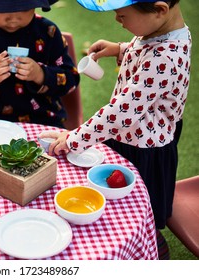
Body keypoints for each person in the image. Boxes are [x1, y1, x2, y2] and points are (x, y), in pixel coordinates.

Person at [40, 0, 191, 259]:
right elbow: (149, 51)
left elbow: (120, 113)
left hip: (143, 147)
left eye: (122, 16)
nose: (118, 21)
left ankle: (150, 244)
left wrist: (74, 138)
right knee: (120, 198)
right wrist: (120, 49)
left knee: (138, 207)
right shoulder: (167, 33)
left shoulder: (165, 56)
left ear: (160, 9)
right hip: (137, 135)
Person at [0, 0, 80, 128]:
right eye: (2, 8)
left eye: (24, 8)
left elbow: (71, 79)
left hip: (43, 120)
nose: (13, 18)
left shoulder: (48, 32)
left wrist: (40, 75)